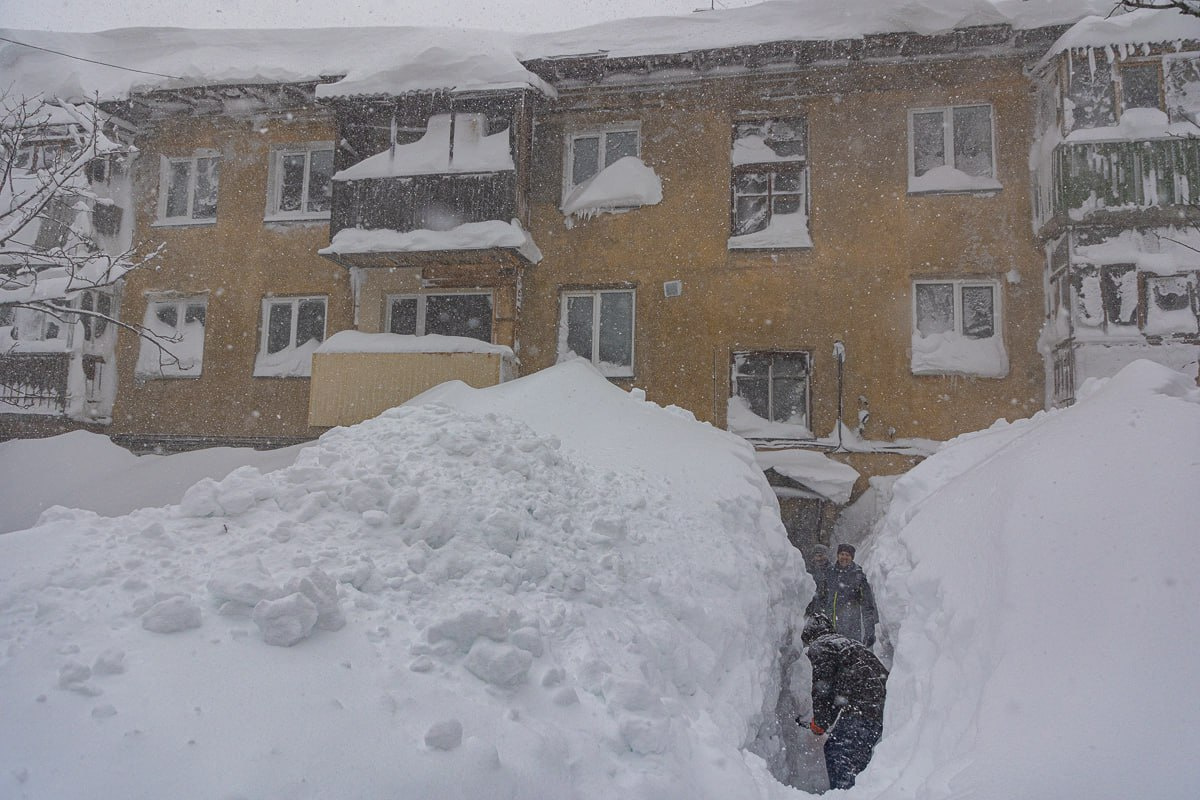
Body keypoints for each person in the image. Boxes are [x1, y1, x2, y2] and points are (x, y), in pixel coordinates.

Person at [799, 613, 889, 790]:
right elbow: (840, 692)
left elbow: (823, 689)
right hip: (880, 710)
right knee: (859, 761)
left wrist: (820, 723)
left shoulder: (821, 646)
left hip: (861, 710)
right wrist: (826, 721)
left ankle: (843, 794)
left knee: (838, 752)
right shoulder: (851, 644)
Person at [820, 543, 879, 647]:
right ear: (838, 555)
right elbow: (822, 599)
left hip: (852, 629)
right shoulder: (830, 573)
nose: (844, 557)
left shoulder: (858, 576)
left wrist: (869, 631)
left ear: (852, 558)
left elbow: (867, 605)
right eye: (842, 554)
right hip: (831, 627)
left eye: (847, 555)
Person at [805, 544, 831, 617]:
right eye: (817, 555)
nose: (819, 558)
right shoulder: (808, 572)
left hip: (828, 611)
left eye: (822, 555)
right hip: (810, 610)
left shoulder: (832, 571)